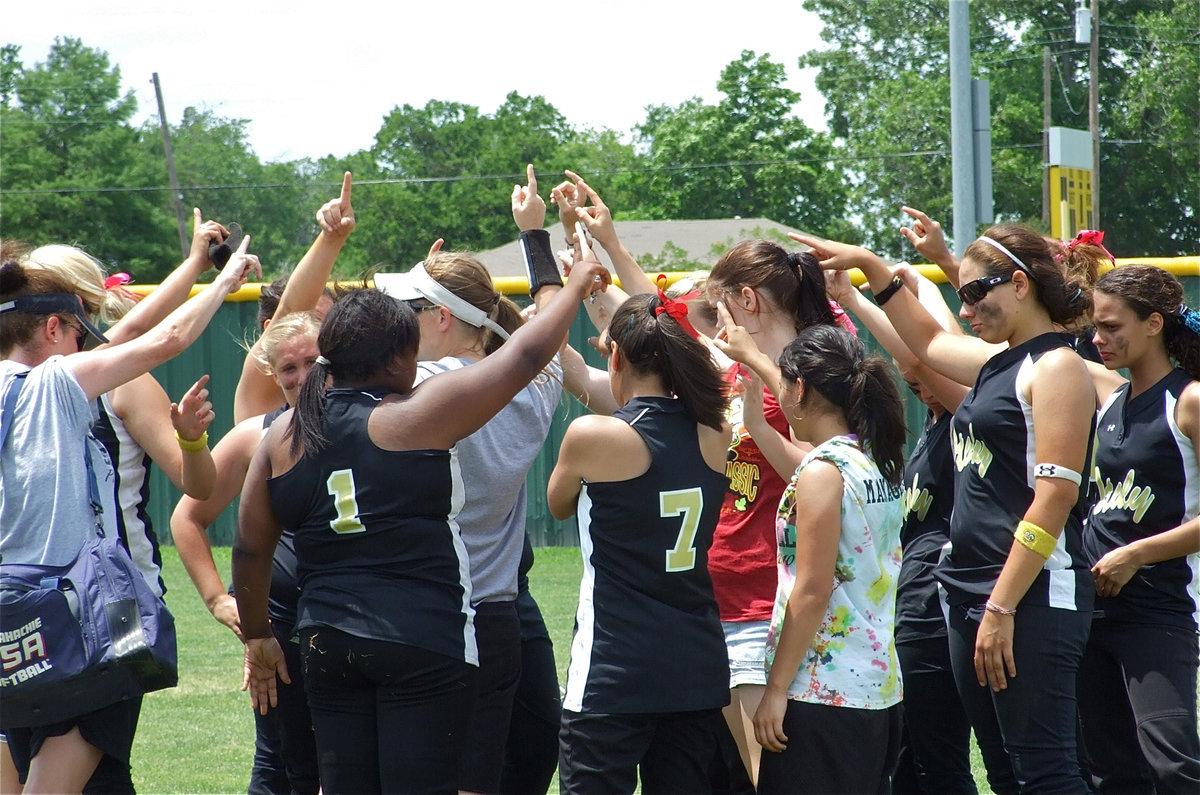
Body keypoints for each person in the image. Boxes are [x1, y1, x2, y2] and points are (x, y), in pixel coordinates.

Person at [232, 246, 608, 793]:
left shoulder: (281, 437)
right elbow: (526, 357)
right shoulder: (416, 417)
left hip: (324, 636)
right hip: (418, 633)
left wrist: (259, 633)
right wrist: (571, 288)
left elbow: (249, 547)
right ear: (398, 359)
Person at [801, 224, 1099, 793]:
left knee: (1047, 770)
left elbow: (1056, 497)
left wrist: (1001, 608)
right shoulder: (999, 363)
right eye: (958, 296)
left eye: (973, 293)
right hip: (966, 592)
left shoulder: (1056, 366)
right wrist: (869, 266)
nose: (966, 311)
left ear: (1018, 283)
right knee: (1005, 768)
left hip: (1027, 597)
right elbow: (925, 345)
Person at [1, 242, 258, 794]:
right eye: (79, 332)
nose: (87, 345)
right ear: (52, 329)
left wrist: (191, 266)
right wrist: (222, 279)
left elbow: (132, 330)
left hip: (11, 614)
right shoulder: (58, 382)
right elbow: (165, 338)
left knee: (86, 775)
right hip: (90, 608)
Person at [369, 164, 568, 794]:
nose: (398, 315)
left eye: (411, 306)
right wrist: (535, 236)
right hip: (497, 614)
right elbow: (545, 320)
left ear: (445, 319)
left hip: (427, 615)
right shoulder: (539, 386)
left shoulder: (420, 392)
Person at [547, 289, 732, 794]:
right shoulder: (716, 431)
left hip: (614, 666)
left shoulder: (592, 435)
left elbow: (558, 504)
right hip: (696, 665)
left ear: (616, 355)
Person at [171, 310, 322, 795]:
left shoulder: (368, 422)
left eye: (312, 362)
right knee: (283, 761)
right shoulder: (257, 434)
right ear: (274, 377)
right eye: (289, 369)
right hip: (277, 635)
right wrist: (220, 602)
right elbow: (186, 518)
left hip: (345, 624)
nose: (301, 378)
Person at [1077, 264, 1200, 792]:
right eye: (1095, 328)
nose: (1098, 339)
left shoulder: (1189, 400)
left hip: (1160, 606)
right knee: (1111, 772)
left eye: (1111, 326)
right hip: (1093, 609)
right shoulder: (1110, 402)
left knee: (1172, 763)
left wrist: (1136, 554)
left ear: (1154, 324)